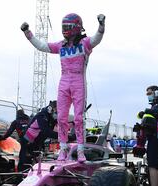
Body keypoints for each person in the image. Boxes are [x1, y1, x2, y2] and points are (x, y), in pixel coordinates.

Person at [21, 13, 106, 162]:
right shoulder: (61, 45)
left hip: (79, 81)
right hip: (64, 81)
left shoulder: (84, 43)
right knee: (61, 117)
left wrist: (101, 25)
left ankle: (80, 150)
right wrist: (28, 33)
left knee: (79, 117)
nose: (65, 30)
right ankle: (63, 148)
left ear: (76, 27)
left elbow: (96, 39)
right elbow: (42, 46)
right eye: (64, 27)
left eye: (68, 27)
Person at [18, 101, 58, 171]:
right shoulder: (42, 116)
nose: (57, 113)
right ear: (50, 108)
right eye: (56, 111)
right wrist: (62, 136)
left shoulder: (50, 118)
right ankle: (20, 177)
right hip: (27, 140)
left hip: (35, 141)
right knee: (25, 161)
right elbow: (47, 131)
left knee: (34, 160)